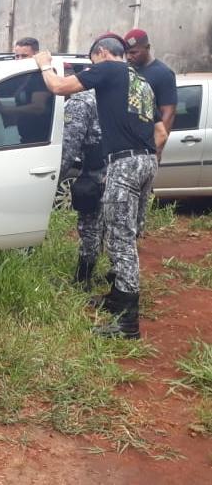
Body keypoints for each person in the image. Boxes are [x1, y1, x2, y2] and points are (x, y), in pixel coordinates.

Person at [33, 34, 168, 339]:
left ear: (103, 53)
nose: (93, 68)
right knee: (127, 233)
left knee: (121, 241)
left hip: (125, 164)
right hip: (147, 161)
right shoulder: (141, 82)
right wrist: (141, 159)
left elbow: (58, 87)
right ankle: (117, 297)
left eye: (93, 61)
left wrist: (44, 64)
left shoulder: (109, 69)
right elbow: (160, 133)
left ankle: (128, 323)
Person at [59, 63, 105, 294]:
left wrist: (53, 178)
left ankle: (83, 279)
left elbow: (69, 147)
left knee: (90, 226)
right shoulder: (117, 93)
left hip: (96, 171)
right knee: (117, 227)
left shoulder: (80, 101)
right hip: (126, 168)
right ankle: (115, 276)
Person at [0, 37, 53, 143]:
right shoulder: (23, 76)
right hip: (27, 136)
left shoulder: (39, 77)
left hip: (40, 138)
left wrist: (4, 109)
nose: (19, 60)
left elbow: (38, 107)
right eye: (17, 56)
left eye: (24, 56)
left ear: (36, 55)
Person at [123, 28, 178, 148]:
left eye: (133, 52)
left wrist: (157, 148)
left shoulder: (163, 74)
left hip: (147, 144)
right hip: (127, 143)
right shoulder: (127, 71)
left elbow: (168, 113)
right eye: (126, 53)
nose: (128, 57)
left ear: (147, 48)